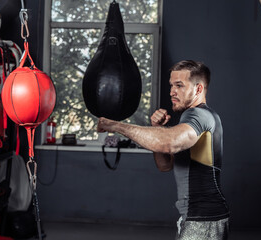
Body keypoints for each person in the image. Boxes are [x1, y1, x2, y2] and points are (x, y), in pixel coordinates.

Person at [97, 60, 230, 240]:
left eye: (179, 85)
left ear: (198, 89)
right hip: (198, 217)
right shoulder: (193, 118)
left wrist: (115, 125)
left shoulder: (198, 115)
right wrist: (155, 127)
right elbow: (165, 165)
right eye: (171, 85)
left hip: (202, 218)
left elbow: (169, 143)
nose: (172, 92)